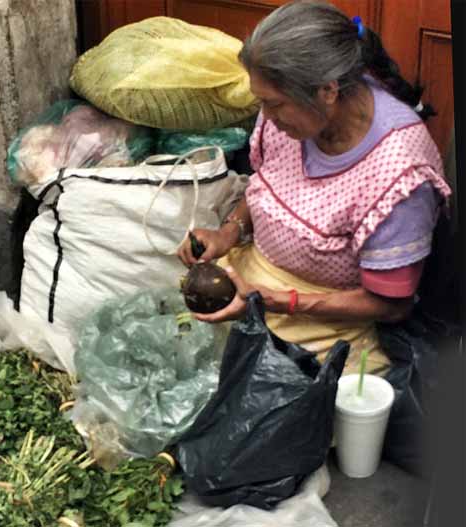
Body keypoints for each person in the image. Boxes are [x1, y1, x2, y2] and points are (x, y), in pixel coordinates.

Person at [178, 0, 451, 374]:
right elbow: (268, 181)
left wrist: (278, 301)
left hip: (328, 325)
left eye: (274, 104)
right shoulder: (293, 118)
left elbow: (392, 305)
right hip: (256, 282)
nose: (266, 116)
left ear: (327, 91)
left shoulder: (400, 174)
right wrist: (229, 232)